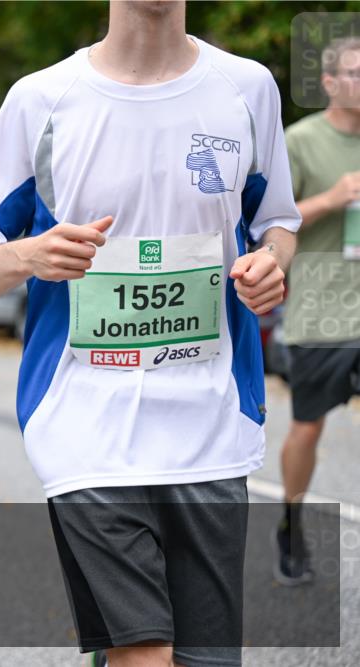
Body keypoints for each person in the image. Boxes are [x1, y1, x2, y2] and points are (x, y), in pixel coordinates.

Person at [0, 2, 299, 666]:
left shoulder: (247, 89)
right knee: (145, 654)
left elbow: (276, 222)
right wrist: (29, 254)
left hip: (211, 422)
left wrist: (271, 263)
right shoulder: (42, 100)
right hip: (84, 422)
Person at [275, 36, 360, 586]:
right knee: (307, 430)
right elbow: (271, 221)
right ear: (328, 82)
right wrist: (331, 198)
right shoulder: (300, 141)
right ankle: (291, 520)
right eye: (355, 73)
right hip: (320, 312)